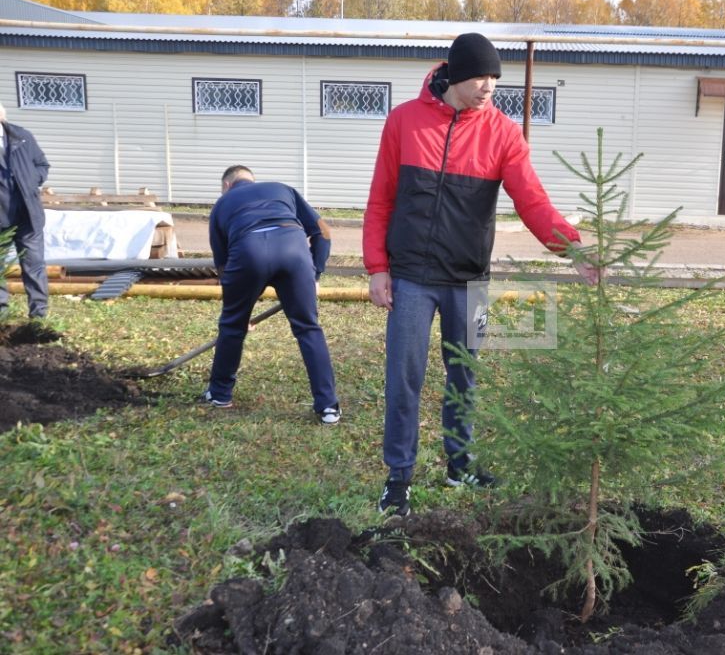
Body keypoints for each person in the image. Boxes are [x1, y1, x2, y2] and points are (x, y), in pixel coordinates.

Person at [363, 32, 599, 517]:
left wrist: (571, 247)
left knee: (464, 377)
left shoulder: (504, 134)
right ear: (453, 74)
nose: (488, 86)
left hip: (469, 278)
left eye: (494, 77)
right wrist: (377, 269)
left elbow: (532, 199)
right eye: (479, 77)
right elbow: (381, 199)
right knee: (405, 378)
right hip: (410, 276)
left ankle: (460, 464)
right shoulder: (403, 122)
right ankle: (399, 477)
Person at [204, 165, 340, 425]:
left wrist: (237, 311)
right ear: (252, 180)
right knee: (308, 328)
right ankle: (328, 407)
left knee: (231, 327)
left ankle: (220, 394)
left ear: (227, 186)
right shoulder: (282, 189)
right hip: (294, 252)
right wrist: (315, 273)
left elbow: (222, 265)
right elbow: (323, 232)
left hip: (248, 252)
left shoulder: (222, 204)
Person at [0, 101, 50, 319]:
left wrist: (32, 181)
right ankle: (1, 315)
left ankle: (38, 314)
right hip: (1, 218)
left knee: (34, 265)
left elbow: (42, 165)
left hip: (28, 216)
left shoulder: (22, 137)